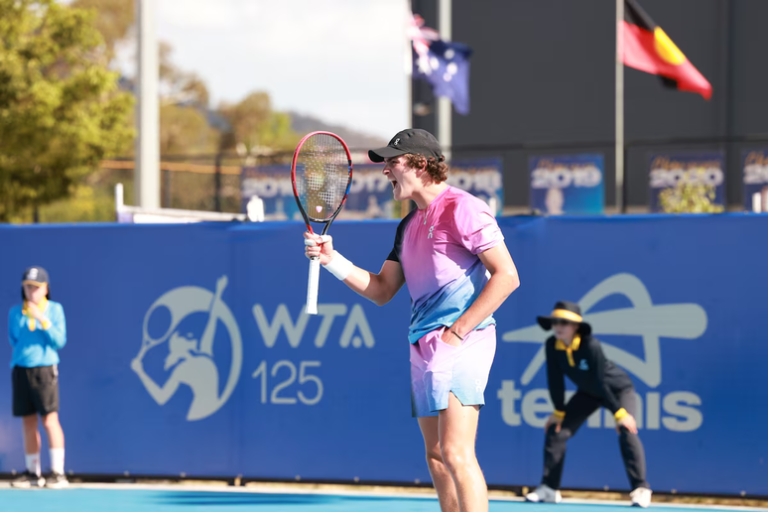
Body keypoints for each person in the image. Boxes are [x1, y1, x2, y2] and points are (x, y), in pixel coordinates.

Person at [304, 128, 520, 512]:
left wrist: (456, 333)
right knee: (436, 455)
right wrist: (331, 260)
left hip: (463, 340)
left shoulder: (464, 208)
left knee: (456, 452)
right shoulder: (407, 225)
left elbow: (507, 276)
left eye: (393, 162)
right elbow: (382, 289)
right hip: (422, 344)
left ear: (421, 164)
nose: (385, 170)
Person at [525, 301, 652, 508]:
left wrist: (619, 413)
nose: (558, 326)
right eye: (555, 322)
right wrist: (559, 411)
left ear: (576, 326)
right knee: (556, 430)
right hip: (588, 392)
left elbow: (600, 381)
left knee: (627, 430)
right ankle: (549, 488)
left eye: (564, 322)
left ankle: (641, 489)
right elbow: (555, 380)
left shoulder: (591, 345)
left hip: (617, 390)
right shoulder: (552, 345)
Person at [7, 266, 68, 488]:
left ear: (45, 289)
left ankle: (58, 473)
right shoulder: (15, 312)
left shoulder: (55, 310)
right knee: (28, 421)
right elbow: (14, 339)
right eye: (27, 287)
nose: (31, 291)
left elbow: (59, 341)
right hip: (21, 368)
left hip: (45, 369)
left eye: (35, 287)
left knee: (50, 420)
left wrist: (42, 319)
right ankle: (33, 473)